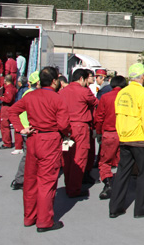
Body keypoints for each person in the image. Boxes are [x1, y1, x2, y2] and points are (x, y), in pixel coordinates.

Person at [8, 66, 70, 233]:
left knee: (30, 180)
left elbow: (13, 111)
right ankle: (44, 221)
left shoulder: (30, 96)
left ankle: (29, 217)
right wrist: (65, 134)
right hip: (50, 139)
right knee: (47, 182)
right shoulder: (58, 98)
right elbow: (64, 125)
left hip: (33, 138)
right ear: (55, 81)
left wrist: (21, 129)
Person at [109, 63, 144, 219]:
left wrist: (121, 134)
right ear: (141, 76)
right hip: (138, 139)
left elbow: (118, 116)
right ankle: (141, 209)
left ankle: (115, 208)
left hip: (124, 138)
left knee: (122, 172)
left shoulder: (122, 94)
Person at [59, 68, 98, 198]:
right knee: (79, 158)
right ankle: (74, 188)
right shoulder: (84, 91)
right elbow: (95, 102)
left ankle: (68, 184)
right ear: (82, 79)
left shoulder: (62, 92)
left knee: (67, 157)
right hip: (81, 127)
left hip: (66, 127)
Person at [94, 75, 127, 200]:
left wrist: (98, 132)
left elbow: (99, 117)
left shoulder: (105, 97)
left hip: (109, 133)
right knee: (122, 161)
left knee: (105, 162)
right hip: (125, 133)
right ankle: (121, 184)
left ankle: (108, 184)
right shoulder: (127, 98)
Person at [11, 71, 40, 191]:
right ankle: (21, 179)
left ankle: (22, 179)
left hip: (27, 127)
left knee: (29, 155)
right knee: (29, 156)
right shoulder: (32, 94)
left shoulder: (28, 93)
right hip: (30, 128)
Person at [0, 74, 21, 153]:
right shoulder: (13, 88)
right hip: (10, 107)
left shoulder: (9, 89)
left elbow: (8, 99)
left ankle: (7, 143)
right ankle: (8, 142)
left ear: (5, 81)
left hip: (6, 107)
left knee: (4, 126)